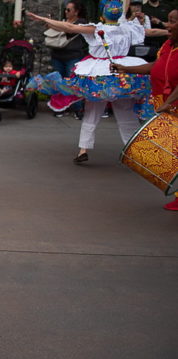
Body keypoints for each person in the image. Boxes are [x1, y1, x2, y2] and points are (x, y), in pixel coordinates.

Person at [27, 0, 153, 164]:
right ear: (119, 14)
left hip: (99, 73)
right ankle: (136, 153)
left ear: (102, 14)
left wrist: (43, 19)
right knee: (126, 115)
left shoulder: (97, 29)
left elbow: (69, 27)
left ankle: (83, 150)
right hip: (123, 72)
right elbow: (154, 32)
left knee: (92, 113)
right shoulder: (127, 28)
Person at [113, 8, 178, 210]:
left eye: (173, 21)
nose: (168, 25)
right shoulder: (168, 45)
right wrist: (124, 68)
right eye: (168, 21)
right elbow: (155, 66)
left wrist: (170, 103)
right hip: (166, 105)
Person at [48, 1, 88, 119]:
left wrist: (56, 25)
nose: (66, 12)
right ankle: (59, 107)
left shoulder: (81, 23)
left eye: (69, 10)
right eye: (65, 9)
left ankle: (77, 108)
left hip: (73, 57)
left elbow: (70, 30)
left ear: (76, 12)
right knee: (58, 82)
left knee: (72, 82)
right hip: (58, 56)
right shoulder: (63, 22)